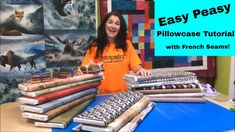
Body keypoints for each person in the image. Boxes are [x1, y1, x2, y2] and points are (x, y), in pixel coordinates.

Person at [79, 11, 151, 94]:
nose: (113, 26)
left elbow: (136, 67)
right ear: (104, 25)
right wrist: (82, 72)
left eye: (117, 24)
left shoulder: (127, 45)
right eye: (110, 22)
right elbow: (85, 69)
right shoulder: (95, 47)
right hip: (101, 96)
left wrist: (141, 70)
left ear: (120, 28)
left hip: (124, 95)